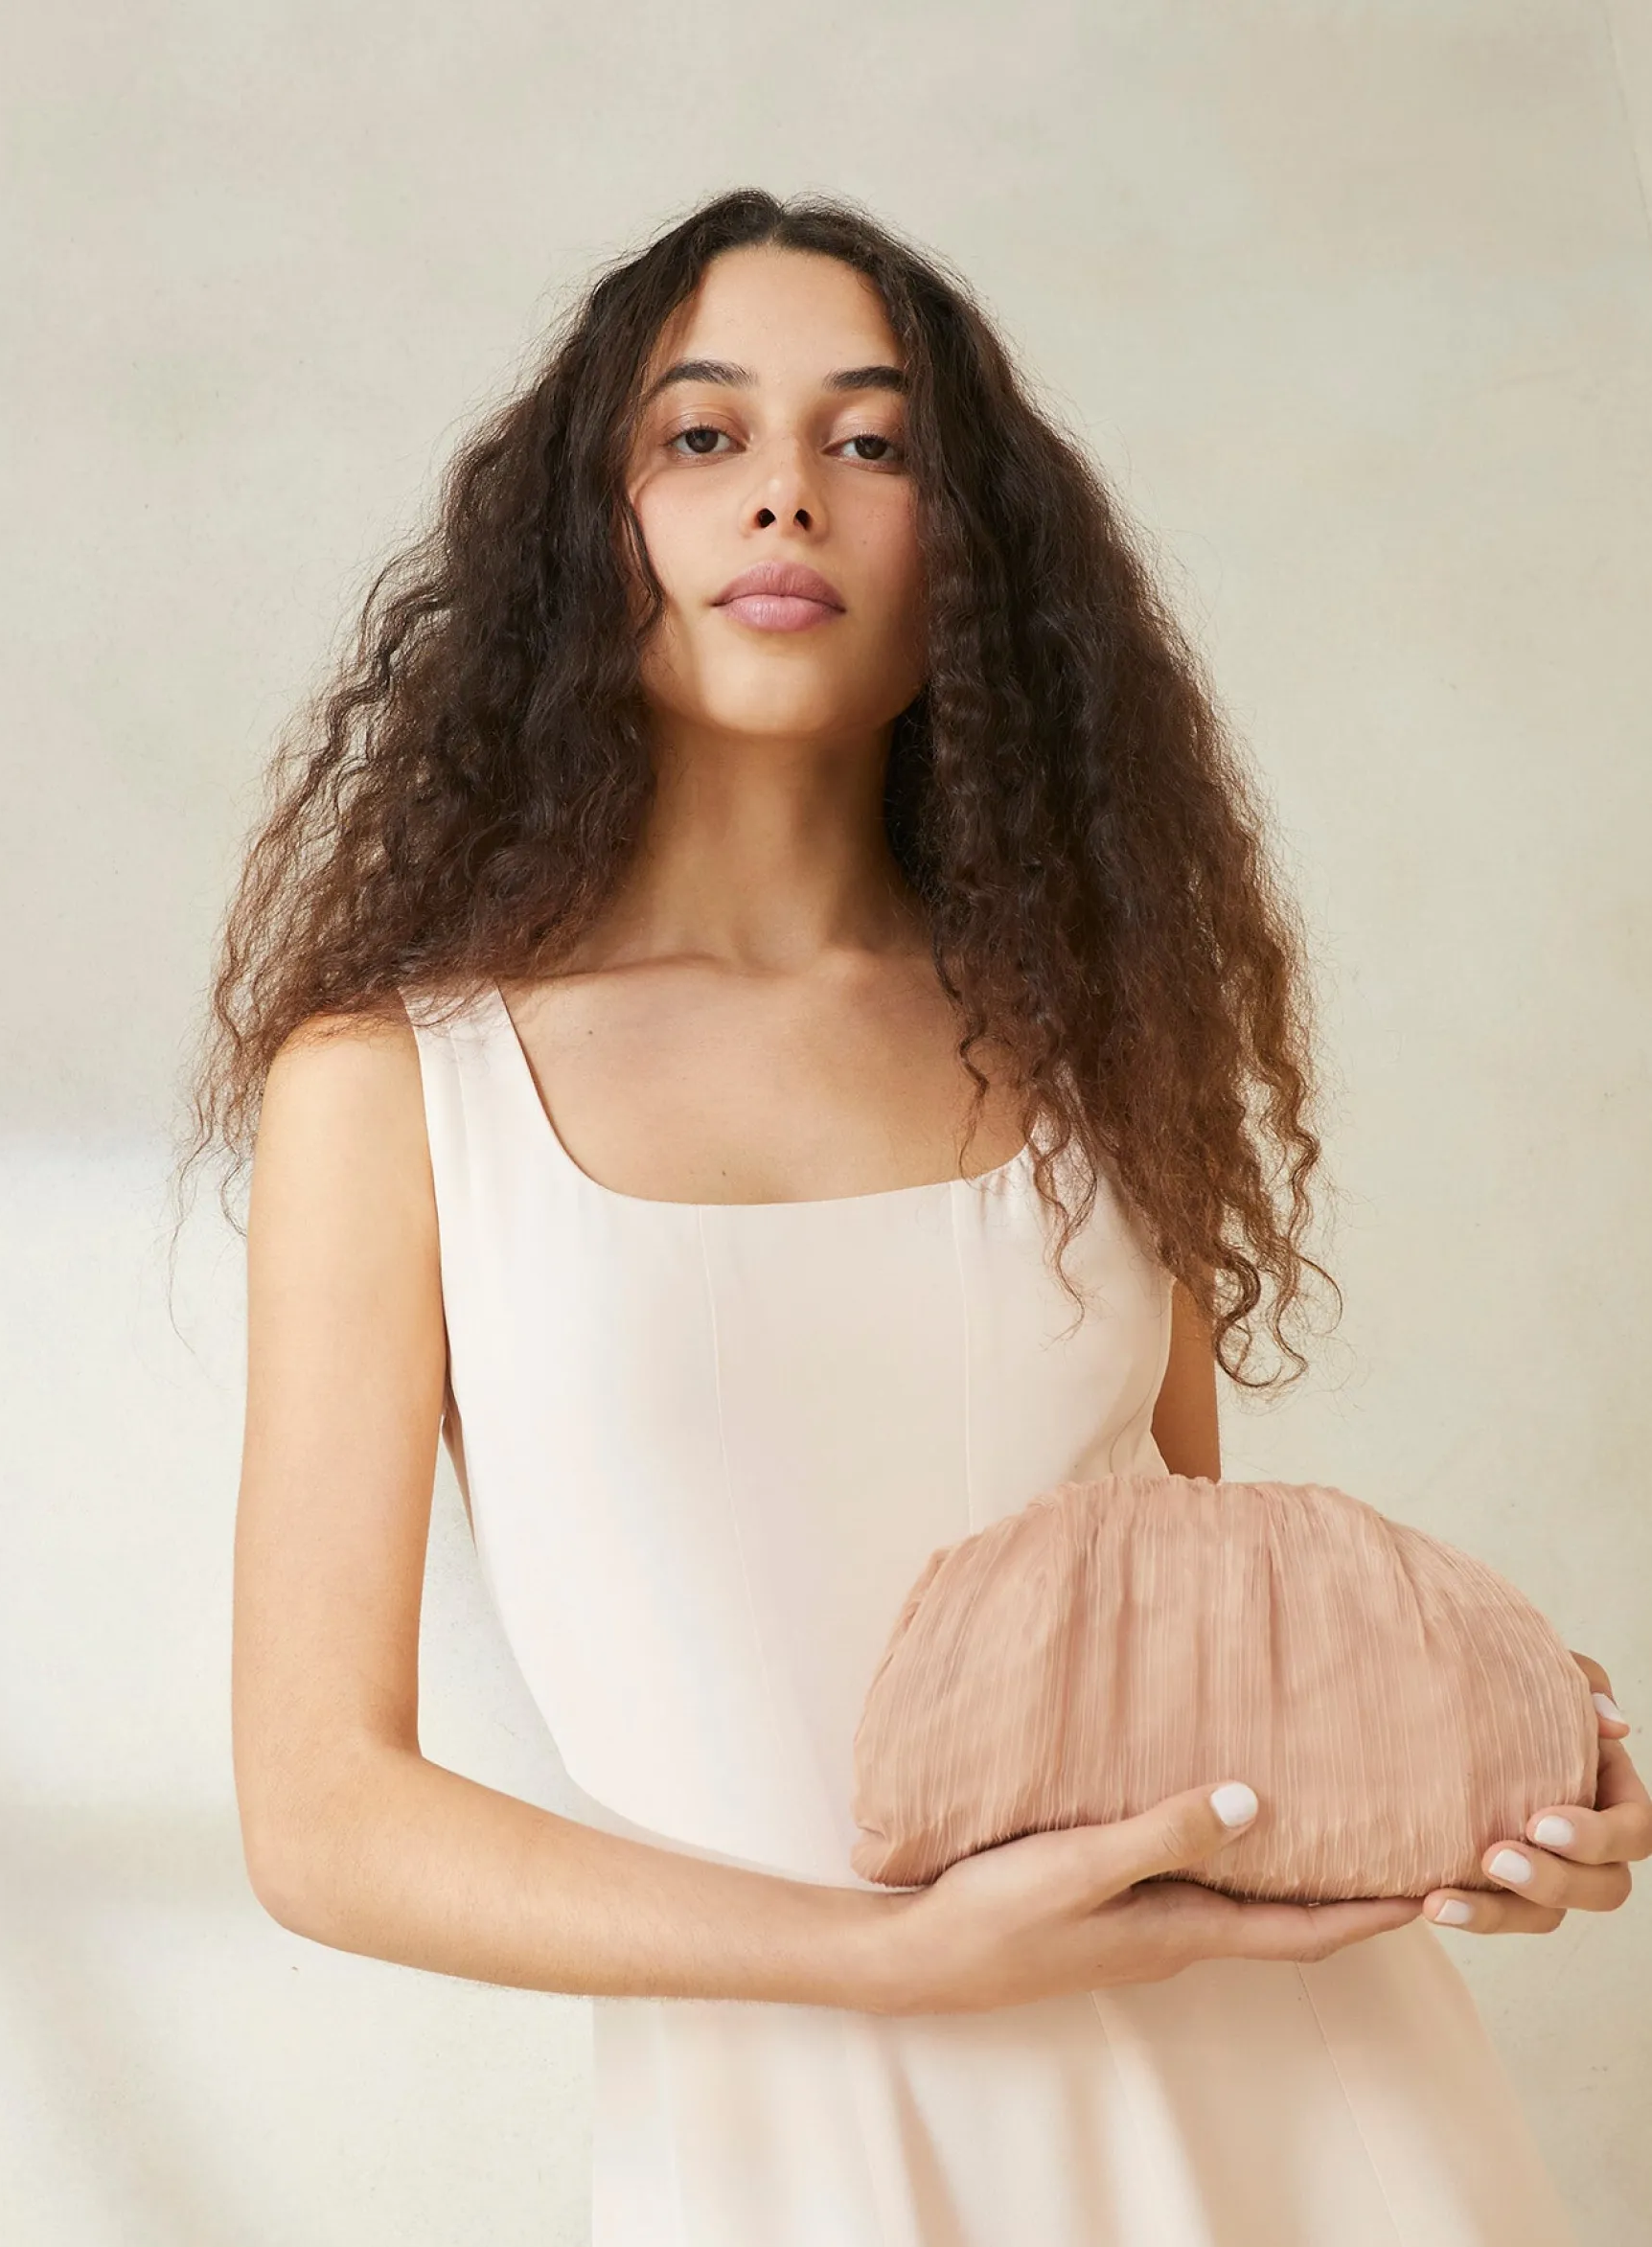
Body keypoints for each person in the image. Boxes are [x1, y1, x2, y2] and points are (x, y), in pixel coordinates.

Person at [185, 188, 1647, 2242]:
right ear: (582, 527)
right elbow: (323, 1816)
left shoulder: (1096, 1032)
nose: (784, 493)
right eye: (701, 435)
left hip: (1316, 2135)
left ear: (967, 549)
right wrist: (886, 1958)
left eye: (870, 442)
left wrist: (1501, 1773)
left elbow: (1195, 1621)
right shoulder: (395, 1088)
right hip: (809, 2146)